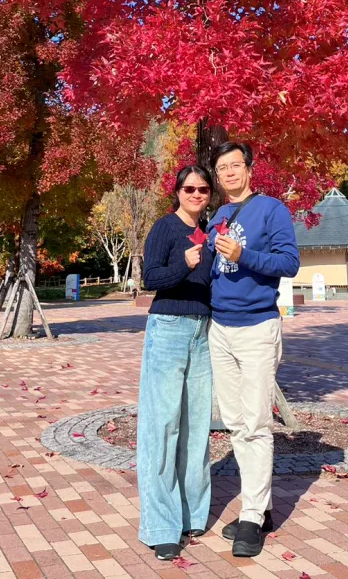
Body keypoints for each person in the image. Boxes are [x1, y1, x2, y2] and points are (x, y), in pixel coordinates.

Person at [207, 141, 300, 558]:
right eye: (221, 167)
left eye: (235, 165)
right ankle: (258, 508)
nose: (228, 172)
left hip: (257, 326)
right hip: (219, 328)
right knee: (234, 421)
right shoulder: (218, 216)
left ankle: (251, 515)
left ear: (249, 169)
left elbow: (288, 263)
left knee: (256, 423)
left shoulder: (272, 209)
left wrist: (243, 254)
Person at [137, 165, 215, 561]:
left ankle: (192, 512)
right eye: (189, 188)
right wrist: (183, 264)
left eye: (203, 189)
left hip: (204, 330)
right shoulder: (165, 228)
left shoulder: (213, 232)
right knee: (163, 424)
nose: (196, 194)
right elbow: (150, 278)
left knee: (197, 424)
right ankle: (161, 524)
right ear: (178, 191)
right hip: (168, 327)